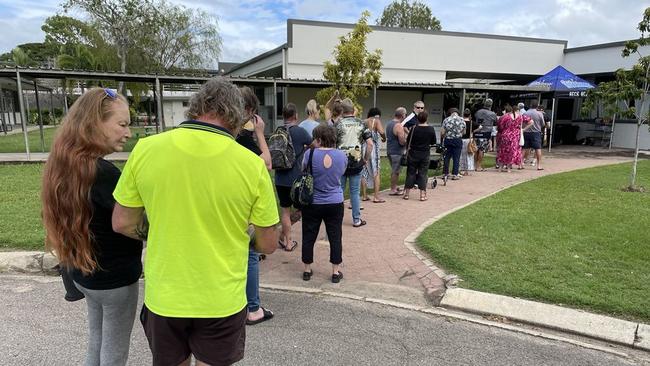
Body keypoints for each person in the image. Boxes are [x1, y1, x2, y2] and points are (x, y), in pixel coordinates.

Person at [112, 77, 279, 366]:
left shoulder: (146, 149)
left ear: (195, 107)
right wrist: (240, 234)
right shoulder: (252, 165)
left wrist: (165, 229)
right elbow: (269, 242)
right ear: (237, 118)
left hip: (165, 297)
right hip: (221, 300)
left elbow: (122, 222)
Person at [41, 87, 142, 366]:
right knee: (114, 352)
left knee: (97, 340)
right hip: (114, 280)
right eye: (122, 124)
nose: (128, 133)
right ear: (94, 123)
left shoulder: (63, 162)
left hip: (83, 274)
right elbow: (133, 222)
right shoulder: (103, 173)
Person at [236, 86, 274, 326]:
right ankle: (253, 308)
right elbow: (266, 163)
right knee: (250, 252)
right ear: (249, 111)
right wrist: (260, 133)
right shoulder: (243, 137)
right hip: (244, 203)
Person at [301, 124, 347, 283]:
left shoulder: (309, 154)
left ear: (319, 139)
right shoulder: (341, 155)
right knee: (335, 236)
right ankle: (335, 271)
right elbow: (342, 172)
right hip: (335, 201)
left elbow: (304, 171)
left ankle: (307, 269)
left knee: (308, 234)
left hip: (313, 201)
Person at [275, 103, 312, 251]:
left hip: (280, 178)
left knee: (285, 210)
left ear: (283, 116)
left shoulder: (277, 131)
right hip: (296, 179)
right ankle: (287, 237)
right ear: (295, 116)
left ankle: (287, 240)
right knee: (302, 209)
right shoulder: (301, 132)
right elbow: (313, 144)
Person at [337, 98, 373, 227]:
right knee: (355, 192)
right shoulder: (362, 124)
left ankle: (336, 219)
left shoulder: (337, 124)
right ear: (354, 110)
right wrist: (365, 159)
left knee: (339, 191)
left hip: (339, 163)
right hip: (356, 161)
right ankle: (356, 219)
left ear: (342, 110)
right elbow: (370, 144)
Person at [403, 111, 436, 201]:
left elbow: (408, 140)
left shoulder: (413, 128)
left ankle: (407, 194)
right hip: (425, 154)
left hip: (413, 153)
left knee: (410, 173)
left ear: (417, 119)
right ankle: (422, 195)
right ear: (426, 119)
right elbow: (433, 142)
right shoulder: (431, 129)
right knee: (423, 174)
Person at [361, 107, 386, 203]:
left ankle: (364, 195)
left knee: (364, 171)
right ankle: (376, 197)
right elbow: (381, 132)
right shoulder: (376, 121)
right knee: (376, 171)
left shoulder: (363, 121)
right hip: (373, 148)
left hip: (363, 147)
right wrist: (384, 138)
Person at [497, 104, 532, 172]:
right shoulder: (521, 117)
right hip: (515, 135)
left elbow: (500, 126)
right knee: (512, 151)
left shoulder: (505, 117)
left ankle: (500, 167)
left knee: (503, 151)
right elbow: (531, 122)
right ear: (517, 110)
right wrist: (523, 129)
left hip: (506, 134)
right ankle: (509, 168)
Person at [385, 107, 407, 195]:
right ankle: (393, 189)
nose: (405, 116)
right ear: (402, 115)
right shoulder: (399, 125)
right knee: (396, 171)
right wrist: (408, 141)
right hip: (397, 152)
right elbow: (402, 141)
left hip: (390, 150)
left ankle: (394, 186)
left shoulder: (389, 123)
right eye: (405, 114)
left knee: (394, 170)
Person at [440, 108, 466, 180]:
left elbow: (442, 132)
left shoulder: (446, 120)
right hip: (457, 140)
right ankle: (455, 174)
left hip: (448, 140)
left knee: (447, 157)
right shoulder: (462, 120)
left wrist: (445, 136)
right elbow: (464, 132)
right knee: (456, 158)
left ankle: (445, 173)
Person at [473, 98, 497, 171]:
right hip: (485, 133)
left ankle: (474, 165)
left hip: (477, 131)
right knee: (481, 149)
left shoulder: (478, 112)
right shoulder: (492, 114)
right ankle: (478, 166)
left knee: (476, 149)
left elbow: (475, 119)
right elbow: (495, 121)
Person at [523, 100, 547, 170]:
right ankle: (539, 165)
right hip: (536, 132)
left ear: (530, 105)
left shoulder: (525, 113)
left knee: (524, 148)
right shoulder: (539, 114)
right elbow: (542, 124)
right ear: (537, 106)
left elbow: (523, 123)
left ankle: (521, 163)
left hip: (526, 132)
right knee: (538, 149)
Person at [459, 108, 475, 175]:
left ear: (463, 114)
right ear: (470, 115)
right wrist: (473, 131)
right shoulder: (471, 123)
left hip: (461, 139)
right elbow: (480, 127)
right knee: (468, 155)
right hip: (468, 140)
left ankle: (460, 169)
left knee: (461, 155)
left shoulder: (461, 122)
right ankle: (467, 170)